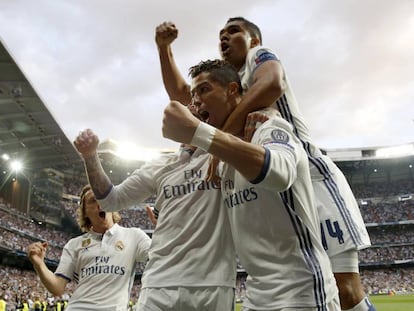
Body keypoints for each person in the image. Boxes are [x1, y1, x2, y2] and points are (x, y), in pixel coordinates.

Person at [155, 19, 375, 311]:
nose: (224, 37)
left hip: (311, 176)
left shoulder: (258, 58)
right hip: (263, 183)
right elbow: (187, 99)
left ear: (254, 40)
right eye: (220, 34)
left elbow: (273, 84)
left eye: (234, 31)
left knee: (346, 290)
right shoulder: (230, 86)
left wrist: (217, 142)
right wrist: (164, 50)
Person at [162, 59, 340, 310]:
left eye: (204, 90)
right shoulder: (219, 160)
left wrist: (200, 134)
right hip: (256, 296)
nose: (196, 101)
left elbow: (279, 174)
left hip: (303, 293)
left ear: (232, 90)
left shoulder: (268, 125)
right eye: (193, 95)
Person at [73, 126, 237, 310]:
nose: (195, 104)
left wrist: (218, 145)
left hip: (212, 284)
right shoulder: (160, 165)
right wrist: (90, 156)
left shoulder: (226, 156)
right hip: (159, 284)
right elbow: (111, 200)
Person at [27, 185, 151, 311]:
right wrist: (39, 264)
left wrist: (164, 230)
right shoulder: (74, 244)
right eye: (93, 200)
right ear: (85, 212)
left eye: (103, 198)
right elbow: (57, 287)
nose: (100, 203)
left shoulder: (134, 236)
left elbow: (161, 256)